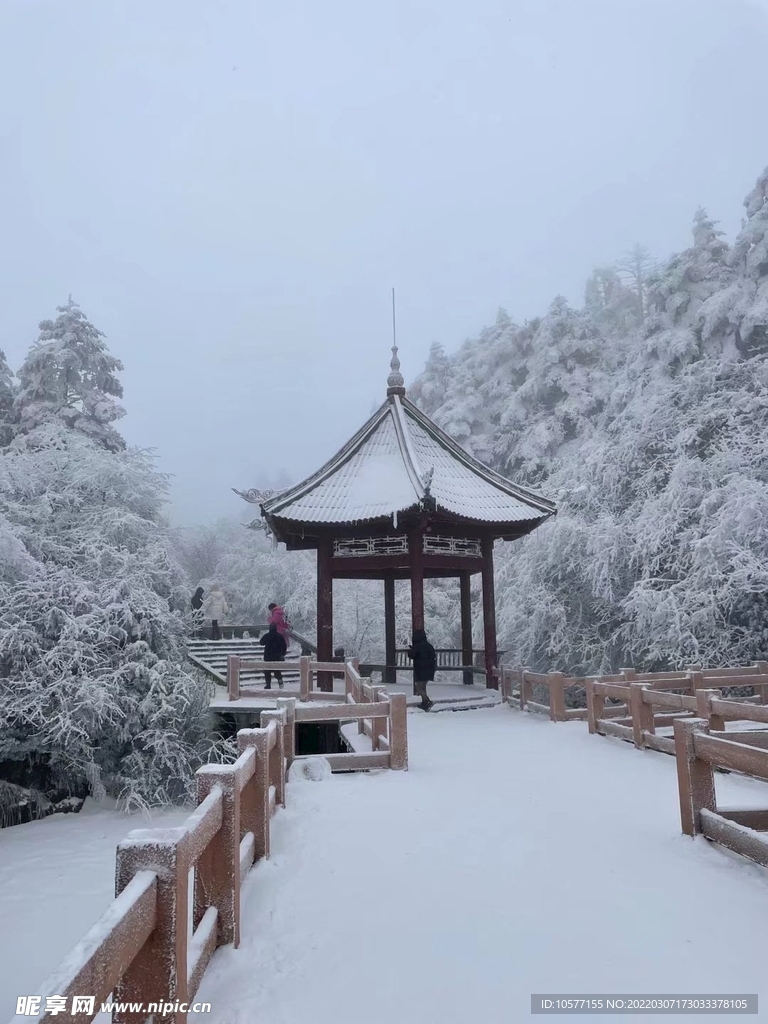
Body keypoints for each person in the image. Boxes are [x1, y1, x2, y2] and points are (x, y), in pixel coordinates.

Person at [408, 628, 437, 711]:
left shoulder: (417, 646)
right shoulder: (429, 645)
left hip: (421, 669)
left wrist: (411, 650)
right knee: (423, 686)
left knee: (419, 687)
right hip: (430, 669)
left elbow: (412, 655)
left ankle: (427, 701)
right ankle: (425, 702)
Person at [260, 622, 287, 689]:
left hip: (268, 656)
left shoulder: (267, 636)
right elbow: (284, 646)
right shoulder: (279, 636)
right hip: (277, 656)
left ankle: (268, 684)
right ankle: (280, 681)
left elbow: (261, 642)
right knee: (277, 670)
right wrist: (282, 654)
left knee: (267, 671)